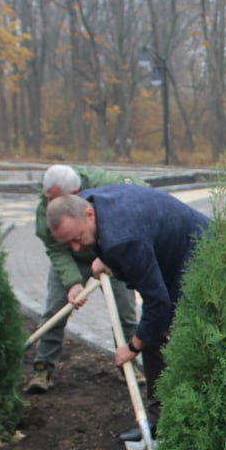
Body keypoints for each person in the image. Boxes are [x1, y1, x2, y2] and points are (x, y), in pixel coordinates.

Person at [46, 184, 209, 442]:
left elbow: (158, 303)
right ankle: (160, 423)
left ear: (89, 215)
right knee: (154, 337)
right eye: (70, 244)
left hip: (201, 255)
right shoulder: (88, 203)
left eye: (78, 238)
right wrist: (103, 257)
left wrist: (132, 347)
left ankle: (198, 426)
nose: (77, 249)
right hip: (171, 250)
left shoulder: (121, 240)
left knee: (181, 337)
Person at [27, 164, 144, 393]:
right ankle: (43, 366)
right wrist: (73, 282)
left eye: (54, 200)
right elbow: (56, 248)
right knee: (54, 310)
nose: (49, 204)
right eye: (47, 197)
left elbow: (141, 196)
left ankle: (129, 365)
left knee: (125, 312)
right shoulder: (46, 207)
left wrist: (113, 253)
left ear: (72, 194)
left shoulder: (105, 183)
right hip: (72, 256)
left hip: (109, 255)